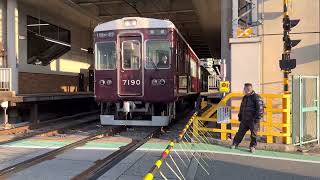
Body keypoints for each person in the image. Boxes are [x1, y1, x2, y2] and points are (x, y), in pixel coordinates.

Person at [231, 83, 264, 153]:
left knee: (253, 135)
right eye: (244, 89)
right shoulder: (245, 97)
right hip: (245, 119)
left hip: (253, 120)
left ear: (249, 89)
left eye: (245, 89)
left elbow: (260, 109)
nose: (244, 90)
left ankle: (252, 147)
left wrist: (256, 118)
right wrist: (240, 116)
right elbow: (242, 107)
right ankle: (235, 143)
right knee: (240, 132)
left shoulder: (257, 97)